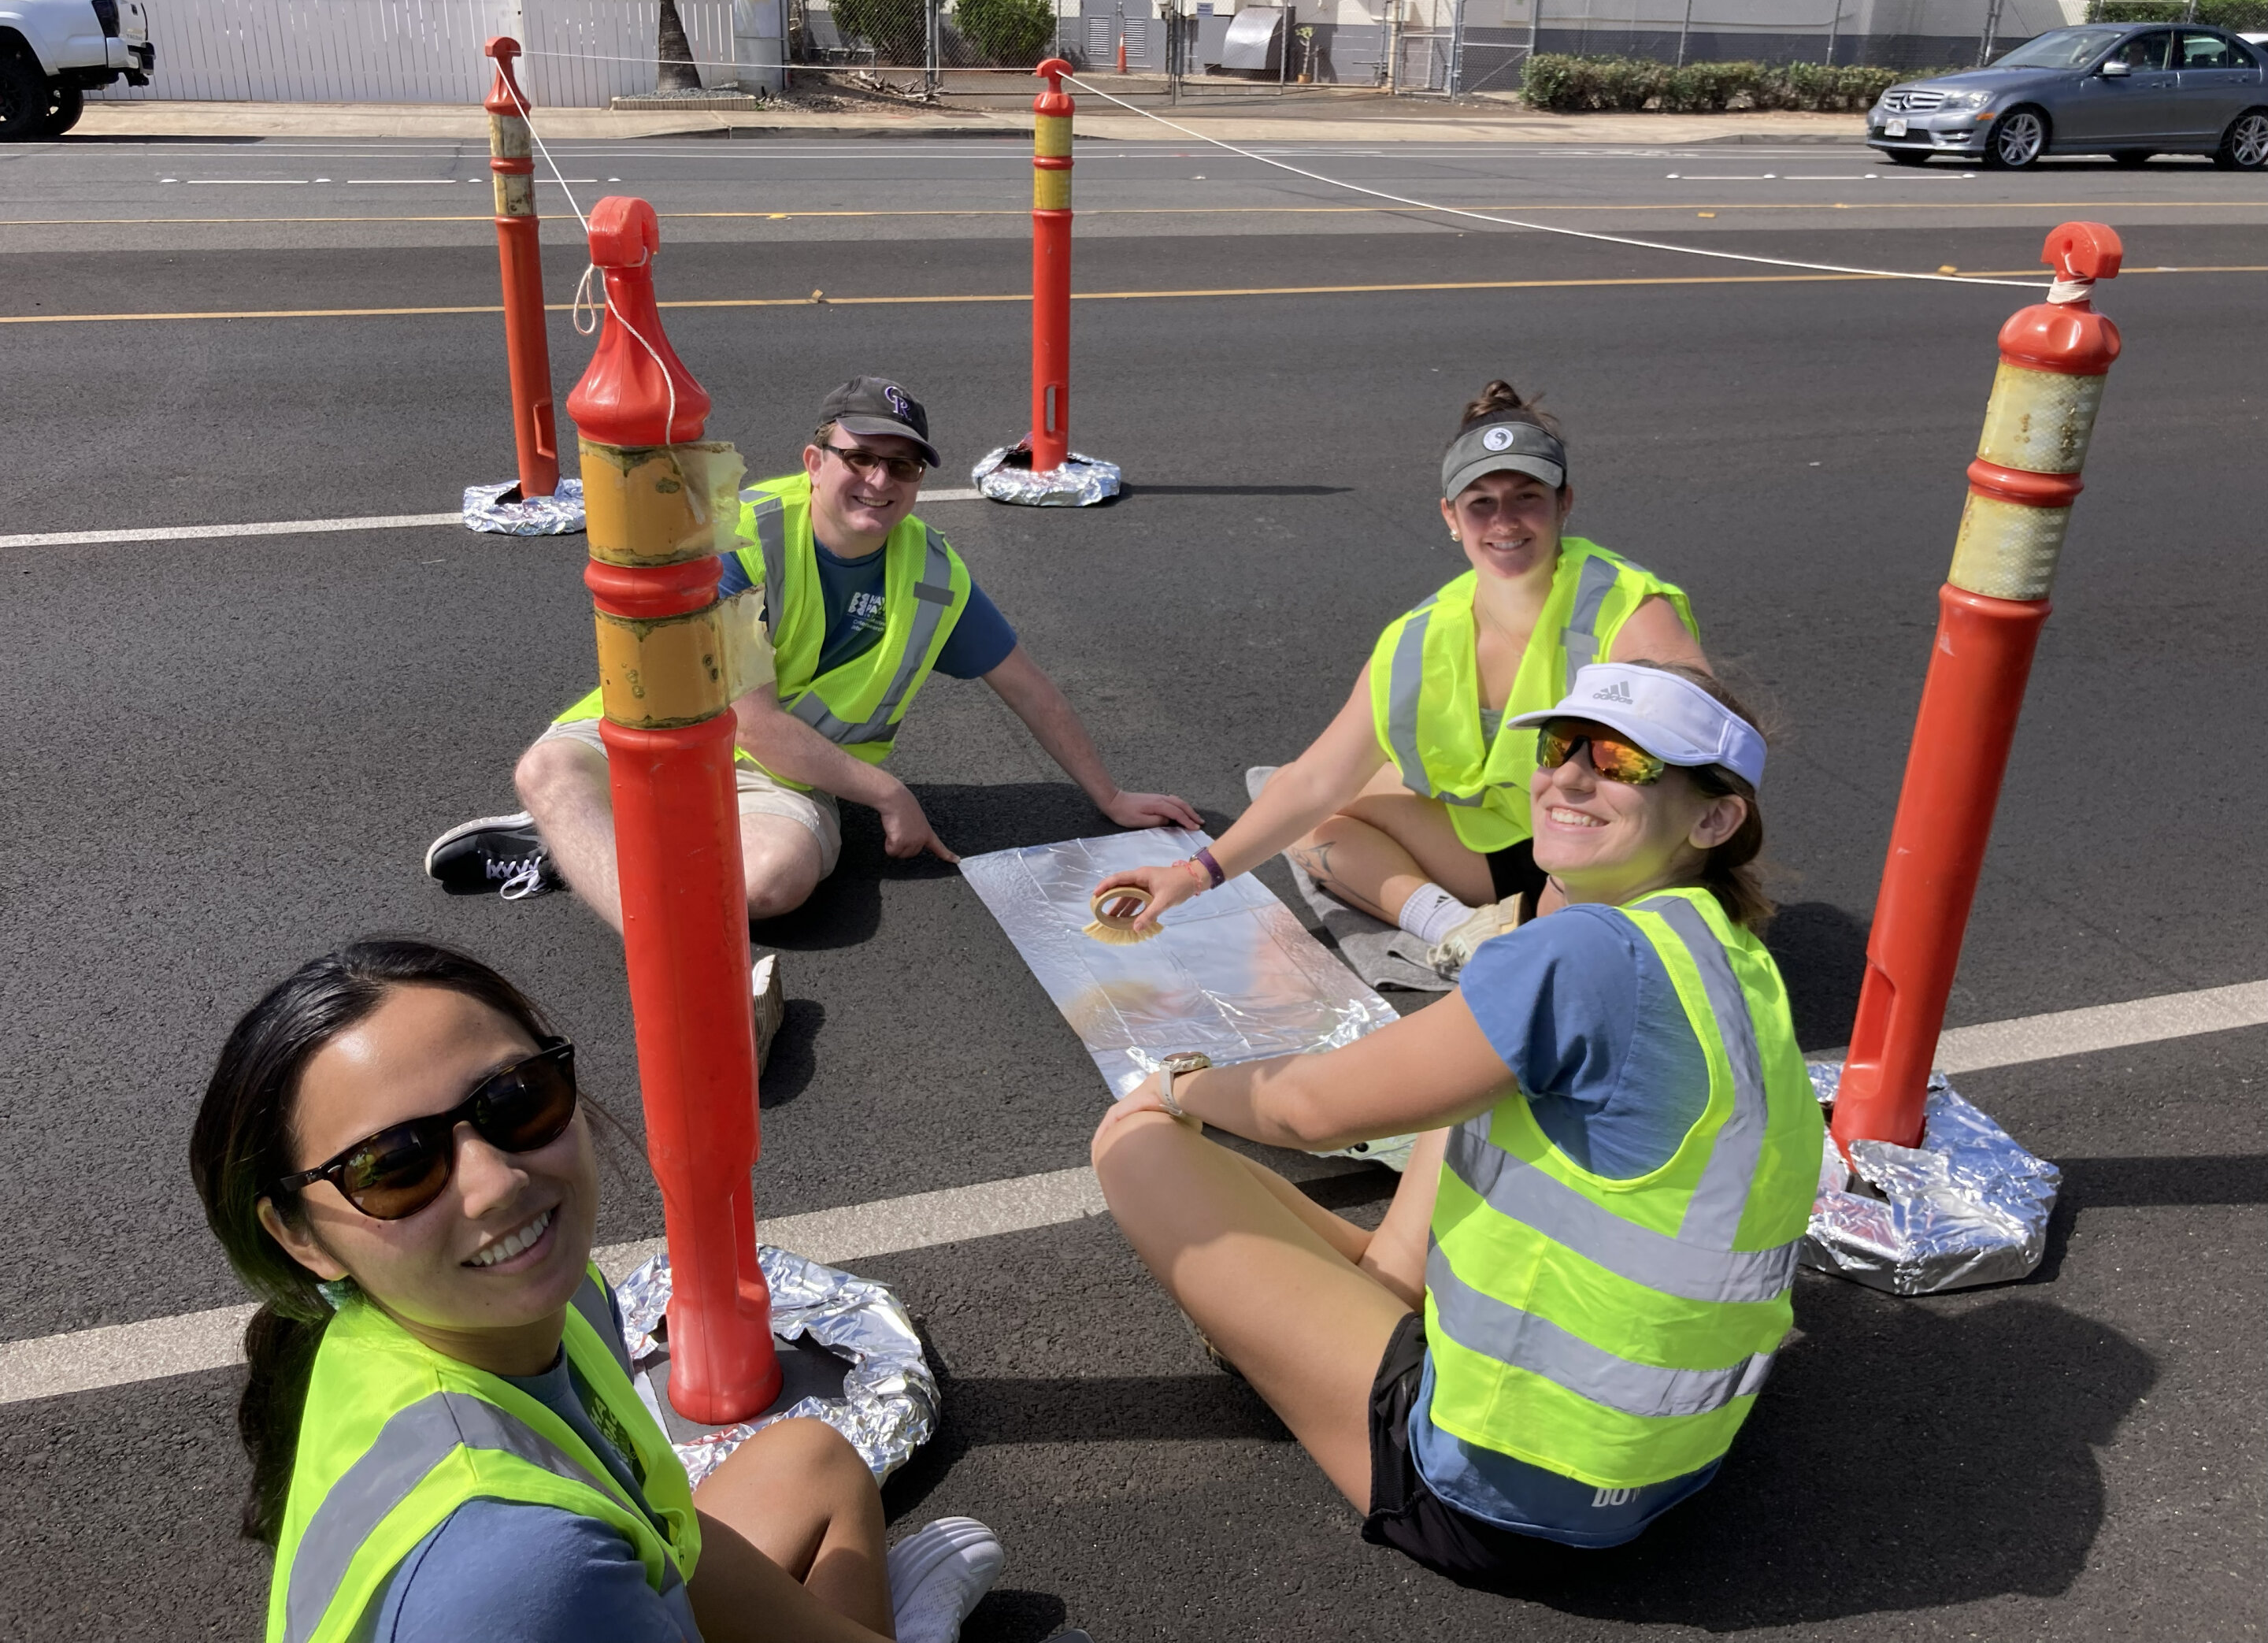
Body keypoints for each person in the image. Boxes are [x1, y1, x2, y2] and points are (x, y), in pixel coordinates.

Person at [1090, 662, 1824, 1582]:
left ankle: (1279, 1352)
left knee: (1136, 1144)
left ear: (1714, 820)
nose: (1569, 777)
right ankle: (1369, 1304)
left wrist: (1179, 1083)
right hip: (1655, 1462)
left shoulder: (1589, 954)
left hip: (1491, 1488)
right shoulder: (1726, 950)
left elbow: (1305, 1108)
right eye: (1560, 749)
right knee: (1470, 1075)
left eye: (1623, 762)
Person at [190, 938, 1025, 1643]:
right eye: (395, 1166)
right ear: (298, 1235)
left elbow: (675, 1539)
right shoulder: (526, 1569)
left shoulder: (520, 1308)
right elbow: (562, 1576)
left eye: (516, 1098)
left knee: (815, 1461)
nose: (494, 1184)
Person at [425, 376, 1198, 932]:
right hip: (670, 728)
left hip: (789, 779)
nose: (878, 479)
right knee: (547, 770)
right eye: (860, 455)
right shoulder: (738, 533)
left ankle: (583, 850)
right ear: (813, 460)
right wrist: (887, 793)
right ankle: (671, 955)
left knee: (774, 884)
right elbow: (749, 717)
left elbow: (1030, 688)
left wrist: (1110, 796)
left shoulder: (934, 573)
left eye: (902, 466)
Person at [1094, 379, 1703, 978]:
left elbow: (1707, 763)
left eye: (1527, 497)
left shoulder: (1627, 608)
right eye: (1481, 502)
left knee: (1322, 811)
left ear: (1564, 502)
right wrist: (1192, 875)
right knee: (1300, 801)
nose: (1504, 521)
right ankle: (1461, 928)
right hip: (1528, 846)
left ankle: (1545, 935)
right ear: (1451, 516)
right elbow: (1313, 782)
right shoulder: (1420, 634)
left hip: (1612, 861)